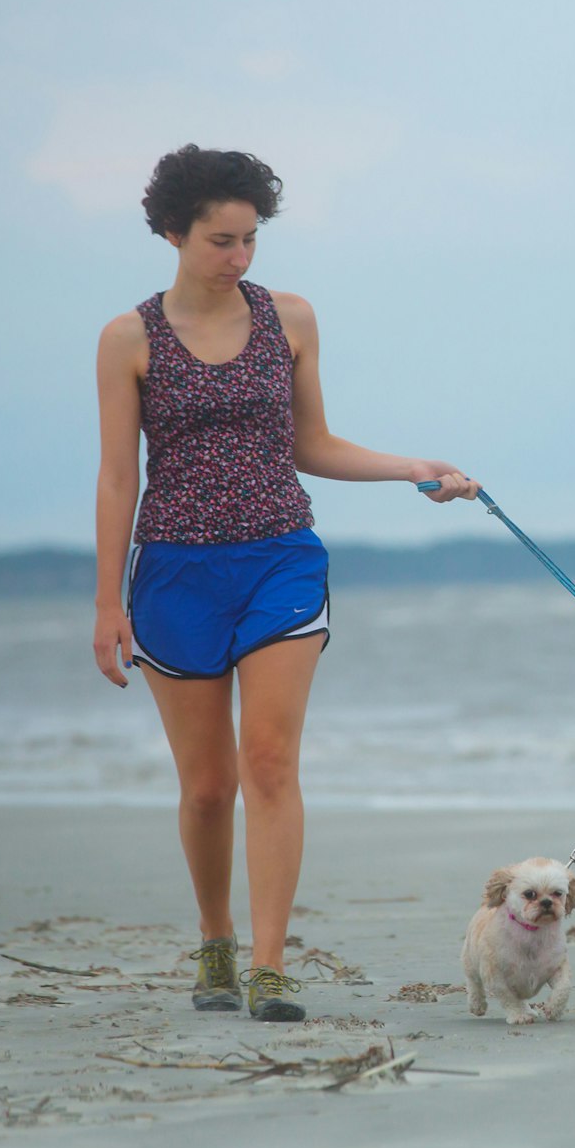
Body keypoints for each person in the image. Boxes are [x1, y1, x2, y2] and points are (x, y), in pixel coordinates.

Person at [91, 145, 480, 1021]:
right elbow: (119, 477)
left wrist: (413, 466)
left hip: (281, 559)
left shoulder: (291, 320)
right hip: (176, 570)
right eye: (221, 241)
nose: (239, 259)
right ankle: (216, 940)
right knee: (206, 786)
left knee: (268, 762)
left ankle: (269, 966)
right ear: (171, 233)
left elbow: (312, 443)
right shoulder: (128, 339)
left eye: (250, 241)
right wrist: (108, 601)